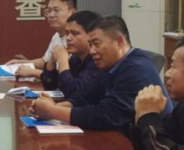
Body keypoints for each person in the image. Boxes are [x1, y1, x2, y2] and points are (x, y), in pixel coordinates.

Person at [31, 16, 171, 142]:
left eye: (96, 44)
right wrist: (53, 107)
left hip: (151, 146)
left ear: (119, 42)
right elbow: (86, 95)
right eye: (90, 45)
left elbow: (107, 115)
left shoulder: (135, 68)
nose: (92, 51)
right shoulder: (112, 64)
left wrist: (53, 112)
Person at [8, 0, 77, 79]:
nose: (51, 15)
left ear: (72, 12)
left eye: (56, 10)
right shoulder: (56, 36)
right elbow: (45, 61)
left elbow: (67, 75)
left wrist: (32, 72)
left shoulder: (78, 39)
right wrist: (21, 63)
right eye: (49, 11)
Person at [40, 10, 102, 98]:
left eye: (75, 33)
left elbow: (73, 91)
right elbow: (49, 85)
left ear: (91, 35)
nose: (68, 38)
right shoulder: (76, 58)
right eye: (67, 33)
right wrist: (51, 62)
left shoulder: (98, 60)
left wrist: (62, 60)